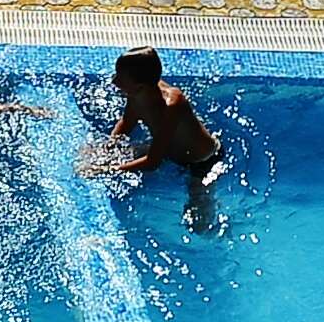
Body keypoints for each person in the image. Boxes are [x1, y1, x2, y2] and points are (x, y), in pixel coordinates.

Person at [97, 49, 231, 226]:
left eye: (120, 78)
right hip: (170, 150)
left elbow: (152, 162)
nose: (114, 81)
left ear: (140, 86)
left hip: (203, 162)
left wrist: (107, 170)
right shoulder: (138, 91)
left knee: (199, 223)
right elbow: (127, 122)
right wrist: (109, 147)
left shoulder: (172, 105)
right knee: (102, 153)